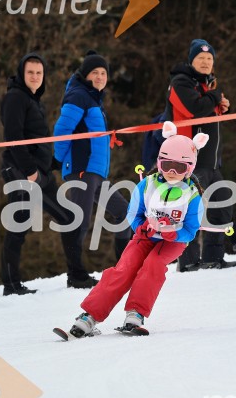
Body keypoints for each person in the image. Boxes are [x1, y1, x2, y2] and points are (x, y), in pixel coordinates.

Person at [59, 122, 207, 338]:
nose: (172, 172)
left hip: (172, 242)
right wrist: (143, 227)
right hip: (144, 237)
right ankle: (89, 316)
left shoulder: (192, 195)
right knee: (124, 269)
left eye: (180, 167)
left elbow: (191, 230)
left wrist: (173, 234)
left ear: (190, 168)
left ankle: (135, 313)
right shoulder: (146, 185)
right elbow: (132, 214)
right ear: (159, 163)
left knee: (153, 266)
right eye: (166, 166)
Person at [0, 52, 90, 295]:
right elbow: (14, 138)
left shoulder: (33, 100)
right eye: (30, 72)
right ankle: (11, 285)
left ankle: (77, 276)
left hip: (39, 173)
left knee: (69, 217)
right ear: (22, 73)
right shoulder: (15, 98)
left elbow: (37, 141)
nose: (35, 77)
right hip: (21, 172)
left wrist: (55, 163)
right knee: (18, 226)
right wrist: (29, 171)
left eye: (39, 73)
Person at [53, 51, 130, 288]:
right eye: (94, 72)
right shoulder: (78, 96)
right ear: (85, 75)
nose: (99, 76)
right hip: (82, 169)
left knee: (124, 213)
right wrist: (55, 160)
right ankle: (75, 275)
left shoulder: (93, 98)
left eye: (103, 73)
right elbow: (62, 129)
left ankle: (126, 269)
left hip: (96, 171)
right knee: (80, 221)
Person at [164, 39, 236, 271]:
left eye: (209, 59)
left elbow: (208, 112)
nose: (206, 62)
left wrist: (221, 104)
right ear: (191, 61)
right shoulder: (180, 82)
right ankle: (187, 261)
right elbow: (194, 109)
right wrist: (215, 98)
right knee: (188, 209)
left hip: (210, 161)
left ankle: (212, 258)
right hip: (187, 160)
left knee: (222, 202)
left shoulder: (208, 85)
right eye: (201, 58)